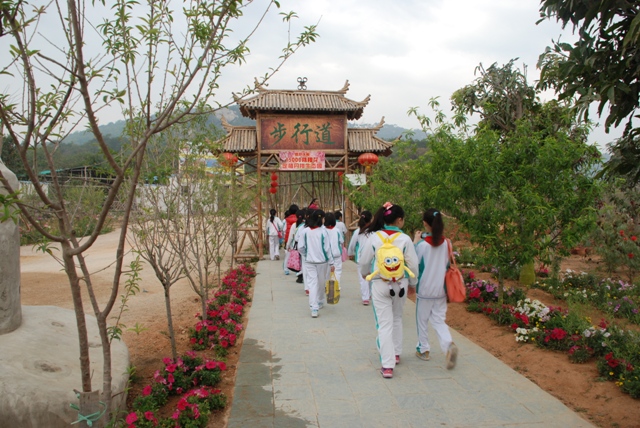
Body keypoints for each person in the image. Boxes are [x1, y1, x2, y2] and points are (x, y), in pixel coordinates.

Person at [358, 202, 418, 379]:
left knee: (384, 324)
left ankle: (387, 365)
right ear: (399, 220)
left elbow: (364, 261)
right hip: (400, 284)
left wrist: (365, 274)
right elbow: (413, 264)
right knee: (397, 317)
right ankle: (396, 353)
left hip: (380, 283)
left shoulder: (374, 237)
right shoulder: (405, 239)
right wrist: (413, 283)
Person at [412, 208, 458, 369]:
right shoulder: (447, 243)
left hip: (425, 290)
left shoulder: (422, 245)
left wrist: (415, 242)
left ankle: (423, 349)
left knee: (422, 320)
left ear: (425, 224)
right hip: (441, 289)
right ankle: (448, 344)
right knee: (438, 320)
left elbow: (414, 263)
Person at [298, 209, 334, 318]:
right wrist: (331, 263)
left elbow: (300, 247)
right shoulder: (323, 232)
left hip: (309, 261)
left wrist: (306, 255)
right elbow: (327, 249)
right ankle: (319, 301)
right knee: (321, 282)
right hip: (322, 262)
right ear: (321, 219)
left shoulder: (305, 231)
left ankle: (314, 307)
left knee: (312, 283)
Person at [348, 210, 373, 305]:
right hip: (372, 257)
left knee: (363, 278)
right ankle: (370, 294)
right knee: (371, 276)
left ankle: (365, 297)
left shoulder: (357, 232)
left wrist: (350, 253)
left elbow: (352, 244)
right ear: (371, 219)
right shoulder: (374, 231)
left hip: (361, 258)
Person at [324, 212, 344, 285]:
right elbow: (341, 241)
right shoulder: (337, 230)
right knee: (337, 272)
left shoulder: (323, 230)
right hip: (336, 254)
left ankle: (326, 285)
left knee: (326, 272)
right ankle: (336, 286)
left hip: (326, 255)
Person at [283, 205, 299, 275]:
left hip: (289, 239)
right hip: (296, 240)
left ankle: (286, 269)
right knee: (297, 255)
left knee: (288, 254)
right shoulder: (298, 220)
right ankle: (297, 269)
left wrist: (287, 242)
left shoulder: (286, 219)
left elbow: (284, 230)